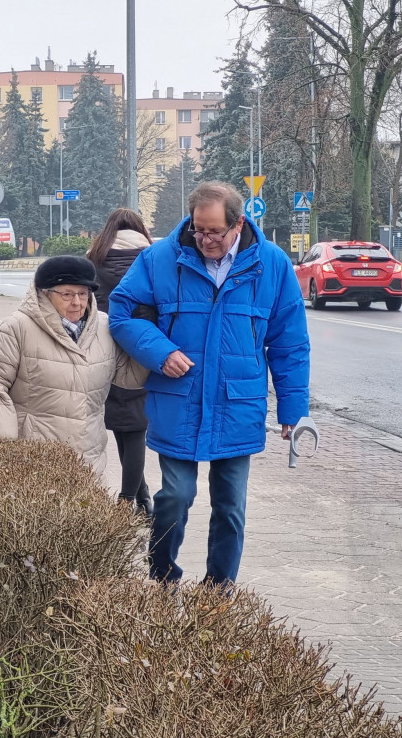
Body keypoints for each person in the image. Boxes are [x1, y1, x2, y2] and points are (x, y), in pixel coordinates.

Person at [109, 181, 310, 586]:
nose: (204, 240)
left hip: (238, 405)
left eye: (214, 231)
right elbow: (122, 312)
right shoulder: (160, 258)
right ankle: (162, 576)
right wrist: (160, 352)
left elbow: (290, 343)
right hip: (178, 403)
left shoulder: (271, 265)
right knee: (175, 497)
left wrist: (292, 411)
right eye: (199, 229)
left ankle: (219, 592)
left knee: (231, 506)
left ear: (237, 224)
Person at [0, 256, 147, 478]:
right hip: (34, 460)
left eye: (83, 293)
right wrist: (4, 445)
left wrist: (148, 342)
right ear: (44, 294)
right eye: (67, 294)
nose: (77, 302)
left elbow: (128, 376)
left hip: (88, 458)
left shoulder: (104, 326)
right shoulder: (19, 327)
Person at [88, 208, 154, 518]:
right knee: (135, 426)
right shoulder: (153, 257)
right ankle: (133, 498)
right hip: (142, 346)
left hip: (104, 345)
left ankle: (136, 497)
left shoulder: (95, 257)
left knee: (121, 424)